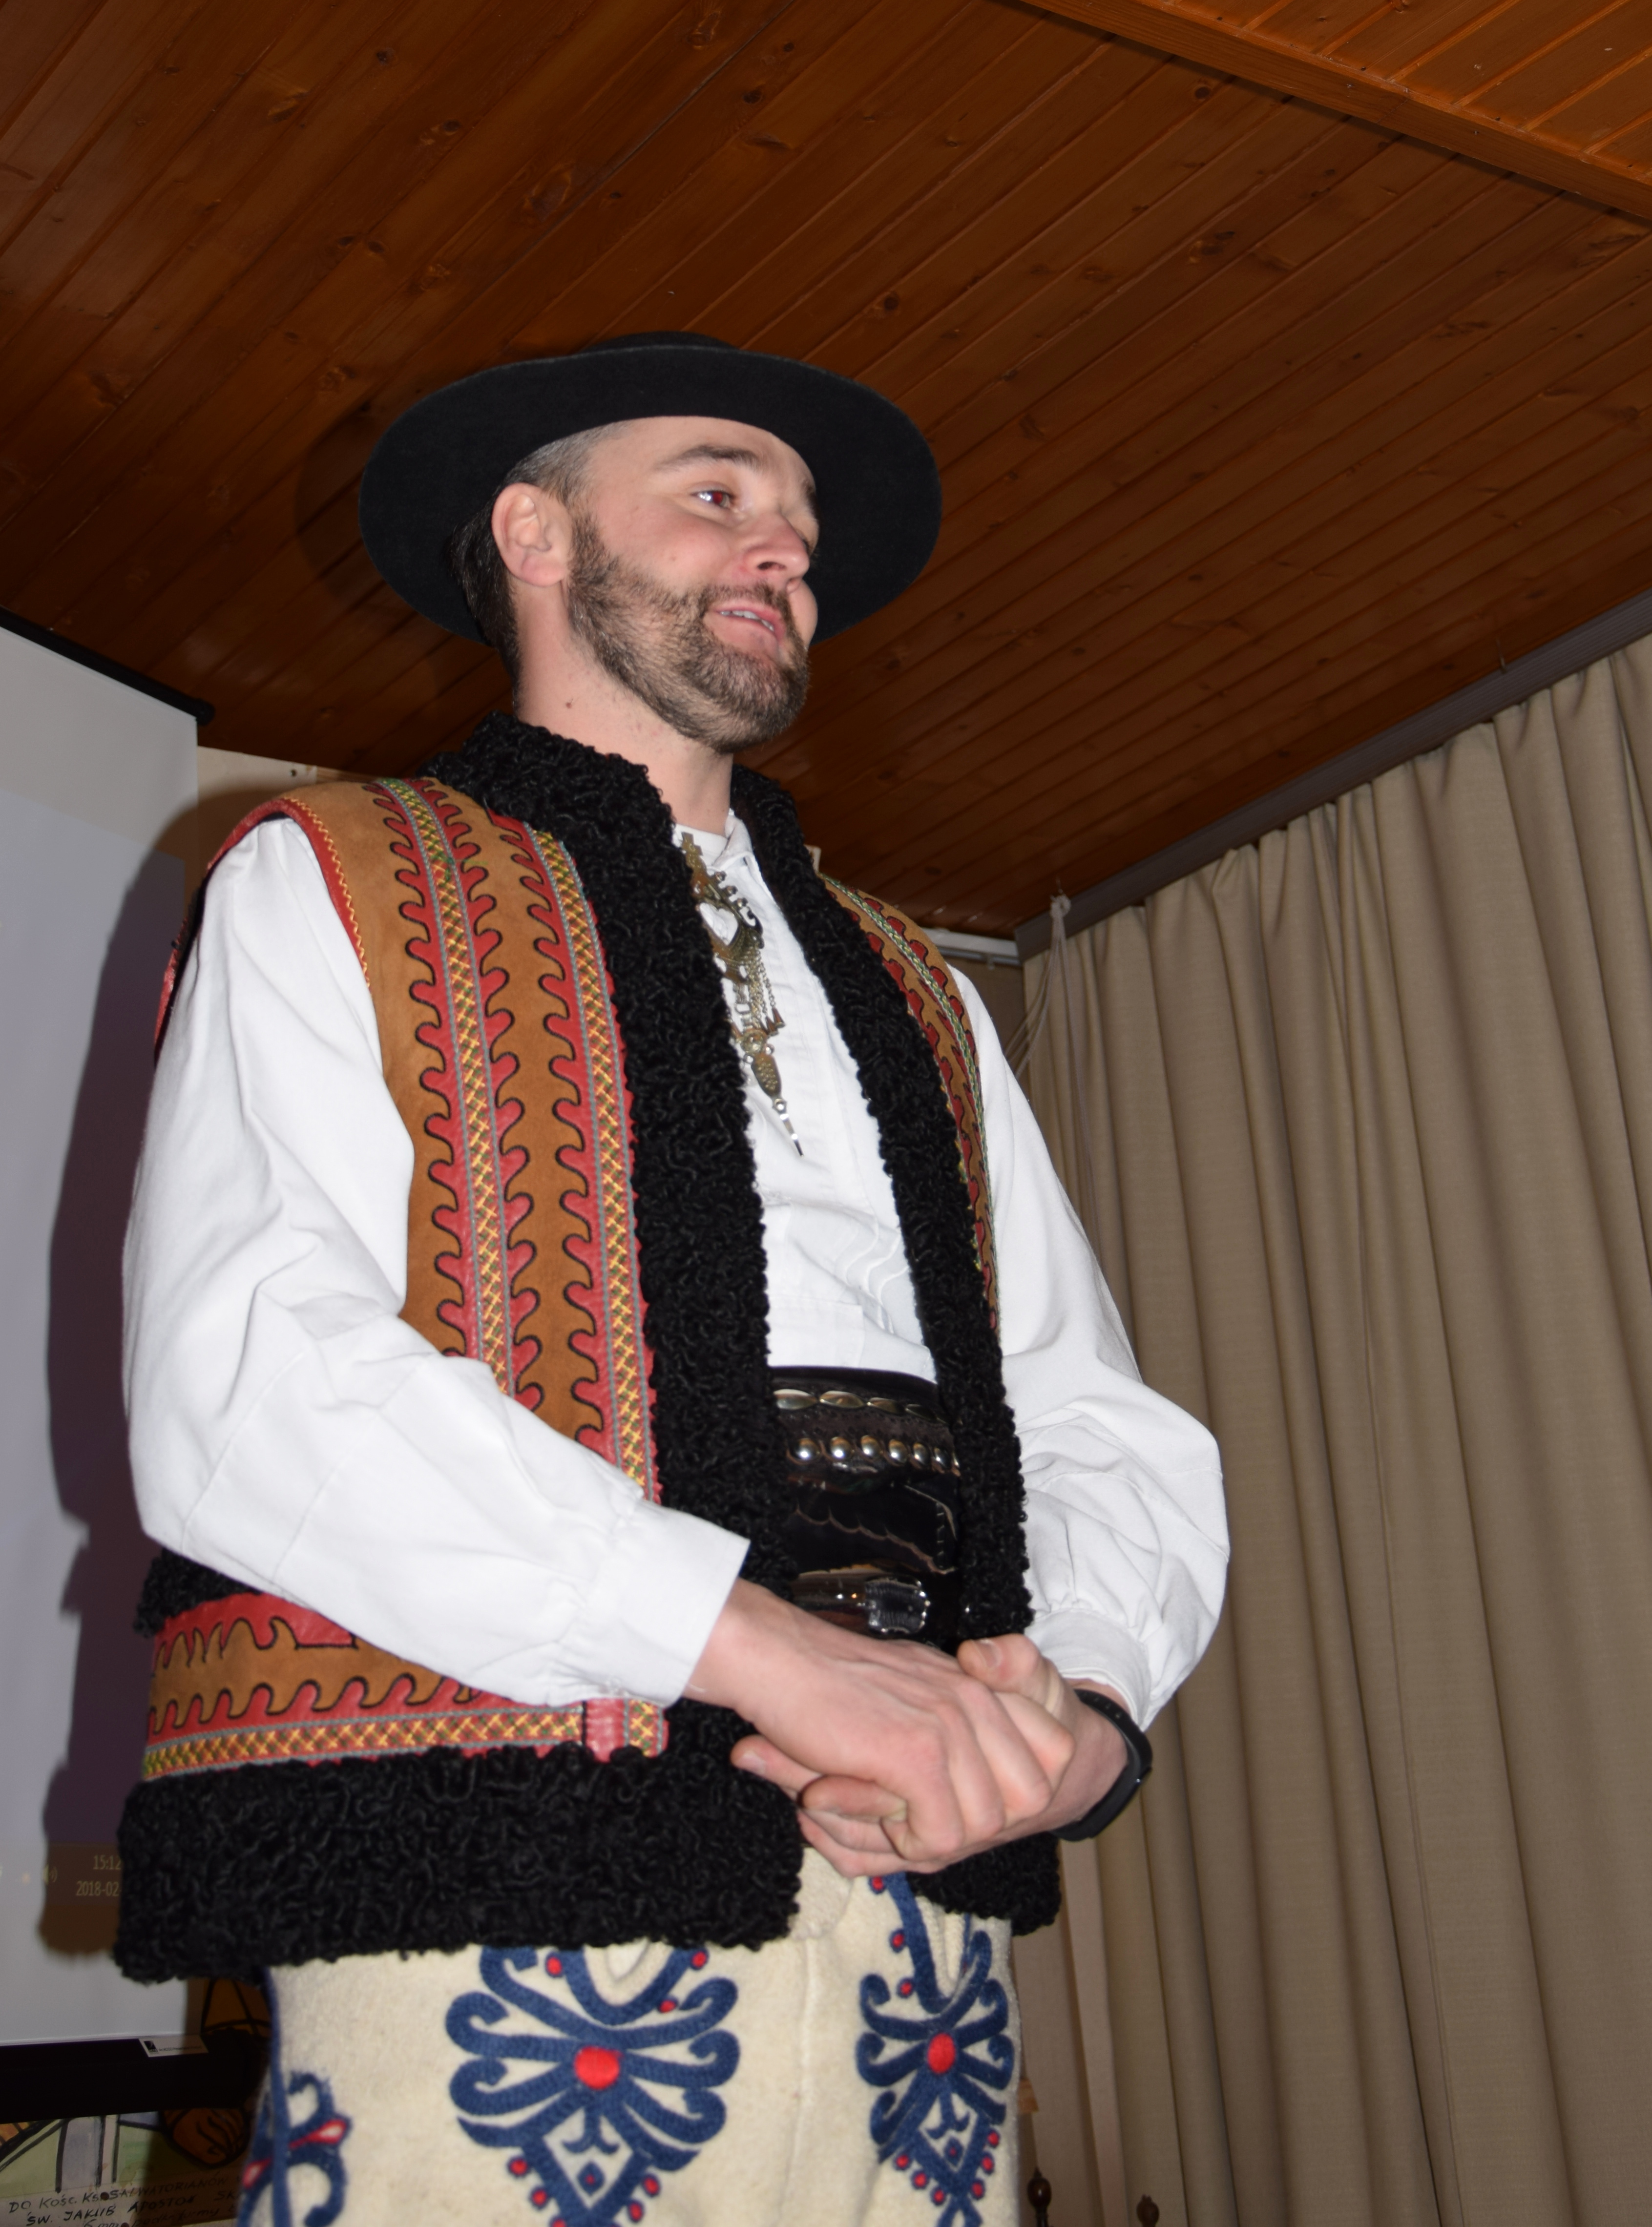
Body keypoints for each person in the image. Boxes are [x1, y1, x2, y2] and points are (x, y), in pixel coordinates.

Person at [114, 333, 1227, 2227]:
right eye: (719, 494)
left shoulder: (920, 989)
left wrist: (1075, 1724)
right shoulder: (335, 874)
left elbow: (1086, 1412)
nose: (785, 548)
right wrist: (773, 1652)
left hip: (912, 1855)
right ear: (535, 534)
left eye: (800, 527)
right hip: (493, 1840)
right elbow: (250, 1372)